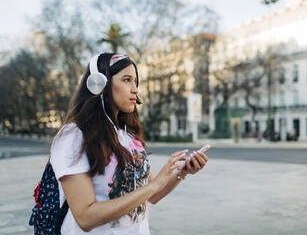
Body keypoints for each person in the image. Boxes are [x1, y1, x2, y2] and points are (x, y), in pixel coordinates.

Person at [50, 53, 209, 234]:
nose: (135, 89)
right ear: (99, 84)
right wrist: (153, 186)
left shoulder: (128, 135)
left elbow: (153, 195)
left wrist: (182, 172)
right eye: (127, 80)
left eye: (136, 81)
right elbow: (85, 217)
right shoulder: (74, 136)